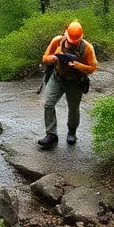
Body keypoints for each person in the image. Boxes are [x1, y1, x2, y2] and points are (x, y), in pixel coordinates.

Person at [38, 20, 98, 149]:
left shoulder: (87, 48)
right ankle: (51, 134)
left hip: (76, 82)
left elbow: (93, 67)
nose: (71, 43)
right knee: (48, 104)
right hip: (57, 78)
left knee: (73, 109)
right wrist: (53, 58)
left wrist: (76, 65)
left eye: (74, 42)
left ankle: (72, 132)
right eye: (70, 41)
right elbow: (45, 58)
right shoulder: (57, 41)